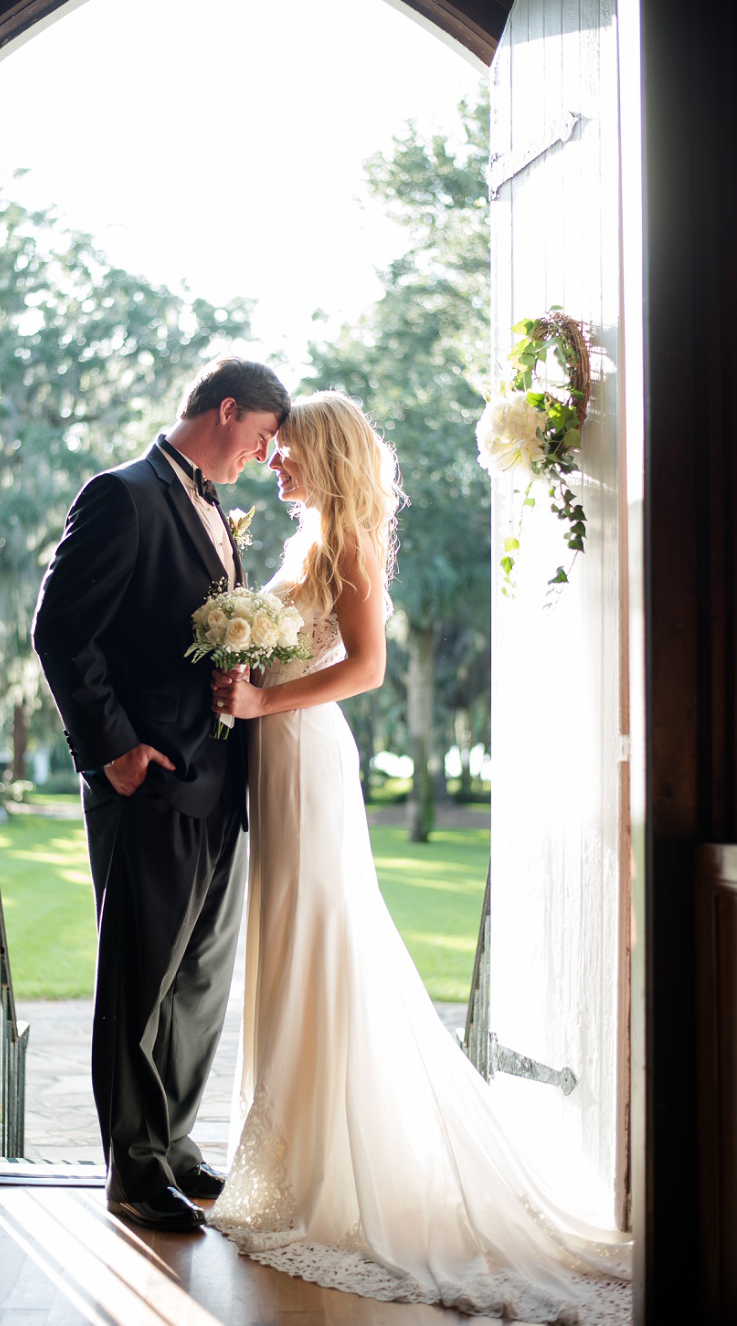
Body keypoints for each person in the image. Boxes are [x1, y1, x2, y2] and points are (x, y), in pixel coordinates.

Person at [208, 391, 632, 1323]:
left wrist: (263, 704)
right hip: (275, 763)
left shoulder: (348, 538)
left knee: (326, 942)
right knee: (288, 941)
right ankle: (283, 1159)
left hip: (308, 760)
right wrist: (243, 674)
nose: (274, 463)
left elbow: (364, 669)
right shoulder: (304, 537)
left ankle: (324, 1173)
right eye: (271, 451)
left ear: (324, 452)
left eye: (285, 452)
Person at [32, 356, 290, 1232]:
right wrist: (113, 753)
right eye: (258, 439)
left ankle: (173, 1145)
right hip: (148, 783)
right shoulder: (124, 494)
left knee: (199, 982)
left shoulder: (214, 508)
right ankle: (133, 1173)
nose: (259, 459)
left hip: (220, 783)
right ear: (226, 411)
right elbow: (61, 629)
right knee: (139, 980)